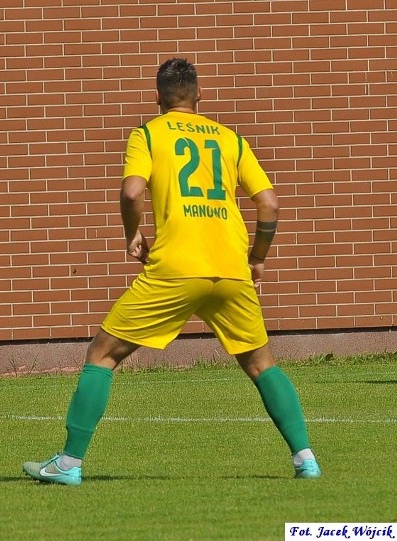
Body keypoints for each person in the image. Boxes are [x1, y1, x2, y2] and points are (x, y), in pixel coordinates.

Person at [23, 58, 321, 485]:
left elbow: (131, 191)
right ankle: (305, 459)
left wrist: (133, 235)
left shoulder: (147, 133)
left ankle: (68, 464)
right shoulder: (230, 138)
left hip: (177, 266)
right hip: (232, 268)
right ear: (200, 96)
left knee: (102, 355)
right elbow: (270, 203)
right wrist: (258, 257)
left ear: (157, 97)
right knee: (261, 364)